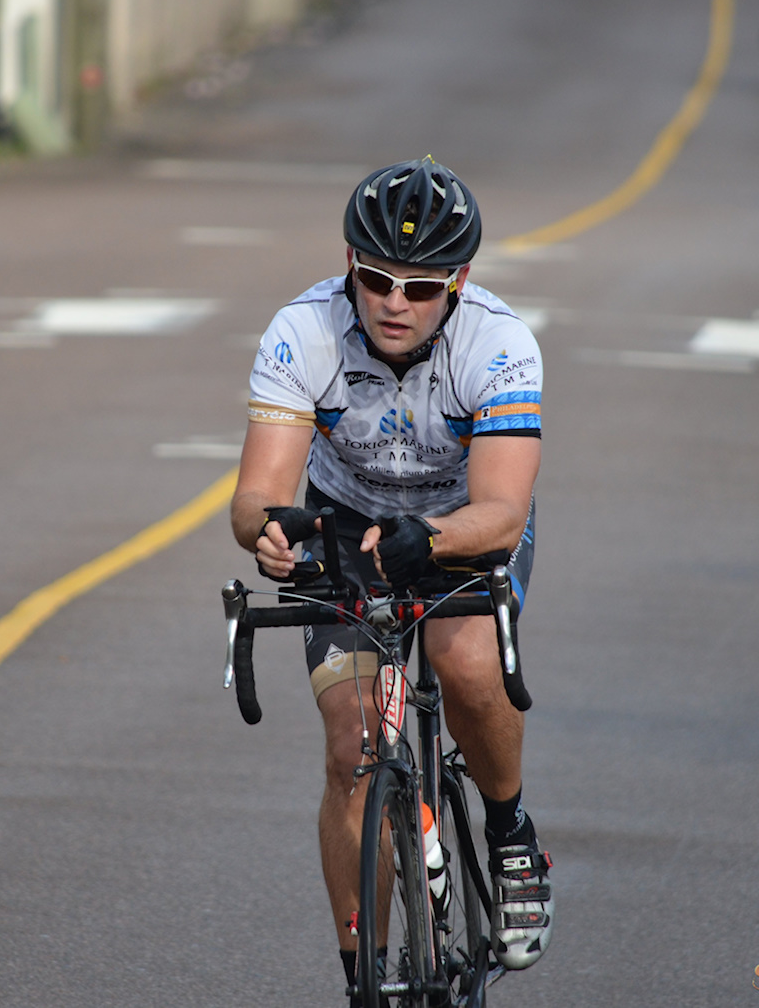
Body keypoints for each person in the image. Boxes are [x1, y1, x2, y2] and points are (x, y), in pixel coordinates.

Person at [229, 157, 552, 992]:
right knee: (352, 750)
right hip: (344, 527)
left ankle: (509, 832)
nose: (393, 303)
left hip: (463, 526)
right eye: (375, 280)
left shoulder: (501, 342)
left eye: (420, 288)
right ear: (349, 265)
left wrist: (433, 539)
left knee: (465, 661)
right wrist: (269, 533)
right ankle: (363, 979)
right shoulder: (302, 331)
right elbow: (256, 495)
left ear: (460, 281)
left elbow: (504, 512)